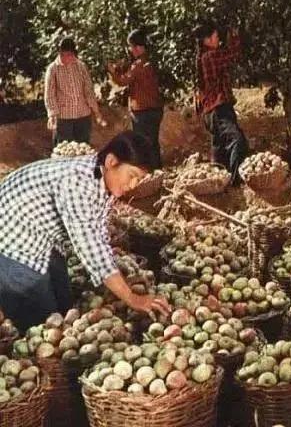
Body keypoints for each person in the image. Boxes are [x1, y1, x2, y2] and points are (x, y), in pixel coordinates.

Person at [0, 131, 170, 331]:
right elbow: (91, 248)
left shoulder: (99, 175)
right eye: (132, 175)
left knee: (64, 302)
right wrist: (131, 298)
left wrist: (119, 279)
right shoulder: (78, 183)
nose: (133, 185)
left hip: (42, 235)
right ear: (111, 161)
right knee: (42, 322)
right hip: (12, 241)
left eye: (139, 179)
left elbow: (96, 230)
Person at [193, 20, 248, 185]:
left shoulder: (203, 57)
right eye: (217, 36)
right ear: (208, 40)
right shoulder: (211, 56)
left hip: (210, 112)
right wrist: (235, 34)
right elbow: (233, 54)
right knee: (237, 140)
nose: (219, 40)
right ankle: (235, 181)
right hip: (219, 108)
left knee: (219, 147)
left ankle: (218, 184)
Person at [108, 29, 163, 169]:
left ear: (137, 47)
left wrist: (112, 72)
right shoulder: (150, 62)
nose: (130, 50)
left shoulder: (138, 66)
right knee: (153, 143)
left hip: (142, 111)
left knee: (142, 145)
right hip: (155, 108)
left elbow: (122, 81)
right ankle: (157, 170)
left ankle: (148, 172)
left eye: (131, 47)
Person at [44, 37, 106, 146]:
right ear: (59, 53)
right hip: (64, 118)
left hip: (83, 116)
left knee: (83, 148)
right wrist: (52, 115)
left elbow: (88, 91)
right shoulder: (53, 69)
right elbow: (50, 95)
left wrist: (96, 112)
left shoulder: (81, 67)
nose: (65, 58)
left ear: (73, 54)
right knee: (64, 149)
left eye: (69, 55)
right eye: (63, 55)